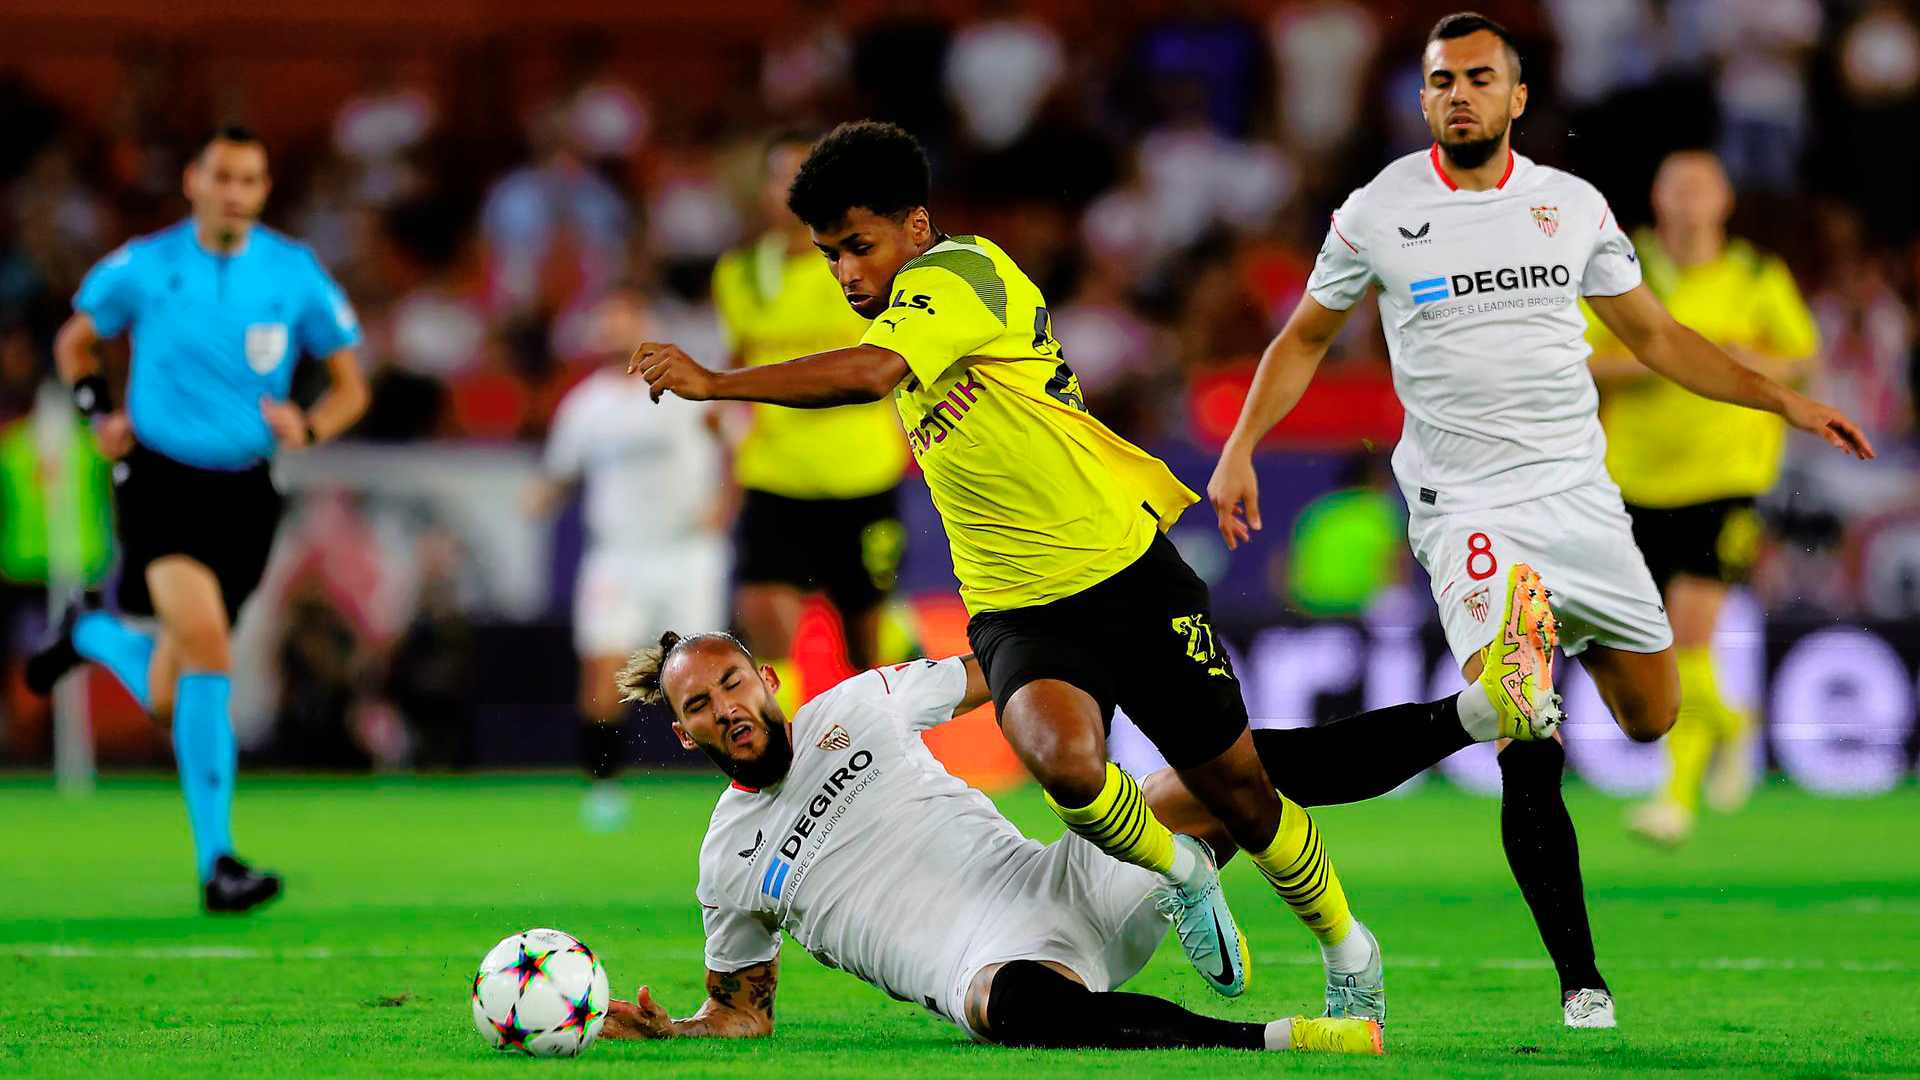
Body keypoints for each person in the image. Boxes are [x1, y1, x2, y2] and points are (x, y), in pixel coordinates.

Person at [634, 119, 1563, 1017]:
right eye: (829, 253)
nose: (844, 272)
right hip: (1016, 605)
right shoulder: (898, 310)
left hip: (1123, 571)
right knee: (1063, 761)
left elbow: (871, 376)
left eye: (857, 247)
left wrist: (716, 381)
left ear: (915, 228)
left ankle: (1347, 949)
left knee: (1243, 790)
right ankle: (1178, 871)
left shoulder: (962, 276)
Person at [1205, 13, 1873, 1030]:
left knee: (1654, 715)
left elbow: (1653, 335)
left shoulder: (1571, 207)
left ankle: (1471, 709)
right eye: (1441, 81)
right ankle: (1582, 977)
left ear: (1518, 99)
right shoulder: (1380, 208)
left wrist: (1781, 399)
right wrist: (1242, 444)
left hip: (1580, 497)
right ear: (1424, 99)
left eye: (1479, 77)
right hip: (1465, 504)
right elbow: (1303, 338)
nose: (1459, 93)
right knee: (1528, 726)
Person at [596, 630, 1383, 1056]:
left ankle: (1467, 716)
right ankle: (1290, 1039)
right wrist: (676, 1029)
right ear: (681, 730)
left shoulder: (860, 705)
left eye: (733, 682)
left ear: (766, 677)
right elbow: (742, 1014)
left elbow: (1003, 669)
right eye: (699, 704)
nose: (725, 708)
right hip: (1002, 971)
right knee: (1003, 1007)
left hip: (1072, 876)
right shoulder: (727, 859)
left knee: (1242, 766)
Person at [26, 125, 371, 912]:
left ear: (263, 190)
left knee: (170, 695)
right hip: (158, 482)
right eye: (221, 177)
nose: (233, 193)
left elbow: (351, 384)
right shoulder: (146, 266)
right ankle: (218, 861)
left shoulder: (293, 272)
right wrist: (96, 412)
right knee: (210, 645)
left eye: (248, 181)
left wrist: (310, 426)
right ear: (193, 181)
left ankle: (90, 633)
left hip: (248, 492)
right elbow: (76, 342)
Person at [1584, 151, 1818, 846]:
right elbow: (1582, 359)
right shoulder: (1624, 268)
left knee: (1691, 636)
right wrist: (1663, 355)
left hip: (1726, 481)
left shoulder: (1754, 274)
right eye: (1676, 189)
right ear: (1657, 199)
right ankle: (1732, 720)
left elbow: (1800, 358)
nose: (1688, 202)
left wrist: (1721, 356)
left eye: (1700, 190)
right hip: (1631, 480)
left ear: (1724, 201)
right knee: (1640, 645)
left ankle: (1674, 801)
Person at [712, 132, 911, 713]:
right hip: (775, 476)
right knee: (765, 620)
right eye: (782, 176)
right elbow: (736, 372)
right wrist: (724, 471)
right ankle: (787, 759)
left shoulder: (876, 267)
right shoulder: (739, 275)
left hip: (862, 473)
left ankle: (892, 754)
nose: (793, 189)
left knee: (865, 647)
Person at [527, 287, 728, 832]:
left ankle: (738, 782)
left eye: (625, 317)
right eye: (606, 319)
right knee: (604, 669)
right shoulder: (586, 405)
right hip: (618, 555)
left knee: (706, 672)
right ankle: (603, 786)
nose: (614, 329)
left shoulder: (682, 383)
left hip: (686, 551)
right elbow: (561, 474)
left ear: (645, 322)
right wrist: (539, 499)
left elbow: (733, 441)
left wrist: (724, 504)